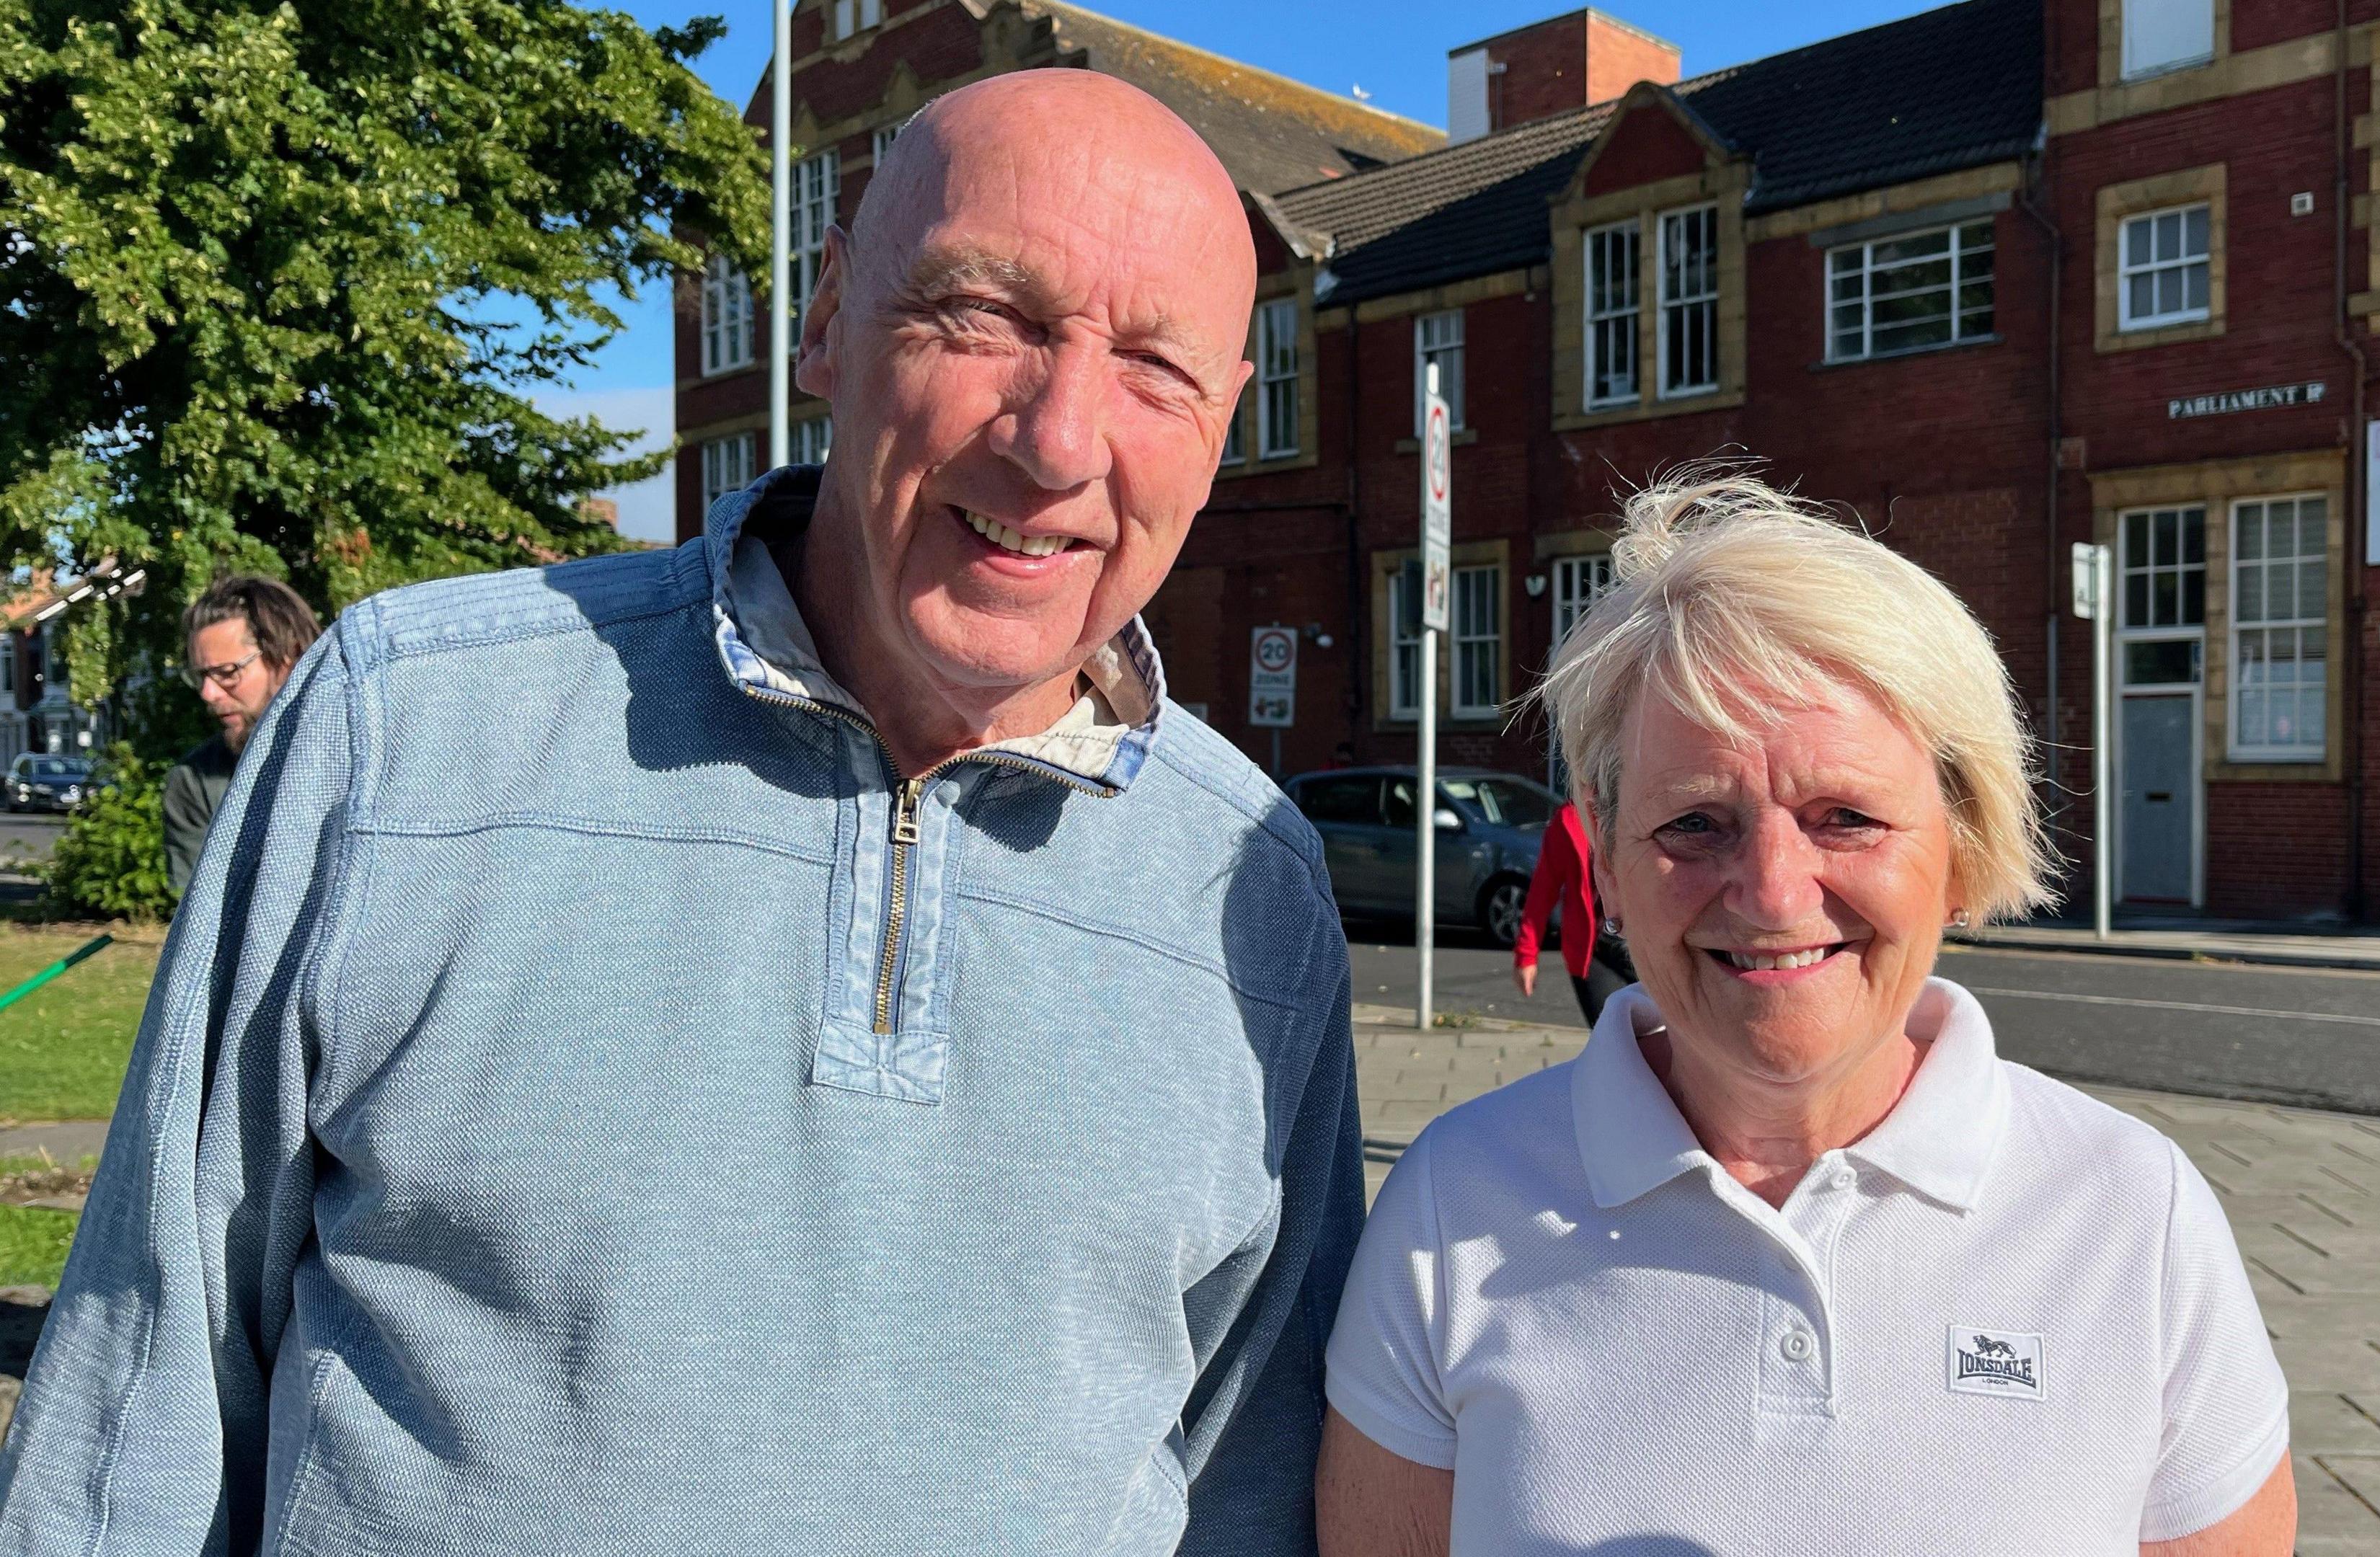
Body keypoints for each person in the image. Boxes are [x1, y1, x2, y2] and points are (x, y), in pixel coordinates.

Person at [0, 73, 1361, 1556]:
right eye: (991, 317)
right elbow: (141, 1412)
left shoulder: (1256, 894)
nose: (1057, 440)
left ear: (1226, 422)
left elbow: (1251, 1491)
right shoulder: (409, 735)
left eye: (1157, 366)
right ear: (830, 315)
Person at [1317, 475, 2294, 1556]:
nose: (1775, 893)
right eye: (1695, 823)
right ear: (1611, 854)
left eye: (1845, 818)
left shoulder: (2131, 1214)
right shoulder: (1455, 1205)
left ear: (1963, 845)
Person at [160, 575, 320, 895]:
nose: (208, 693)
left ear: (289, 658)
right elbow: (201, 926)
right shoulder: (195, 783)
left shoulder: (365, 760)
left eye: (227, 673)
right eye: (201, 676)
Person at [1510, 799, 1634, 1025]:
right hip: (1597, 949)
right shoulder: (1569, 821)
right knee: (1612, 1039)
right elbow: (1543, 891)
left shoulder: (1642, 806)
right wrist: (1526, 955)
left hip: (1648, 943)